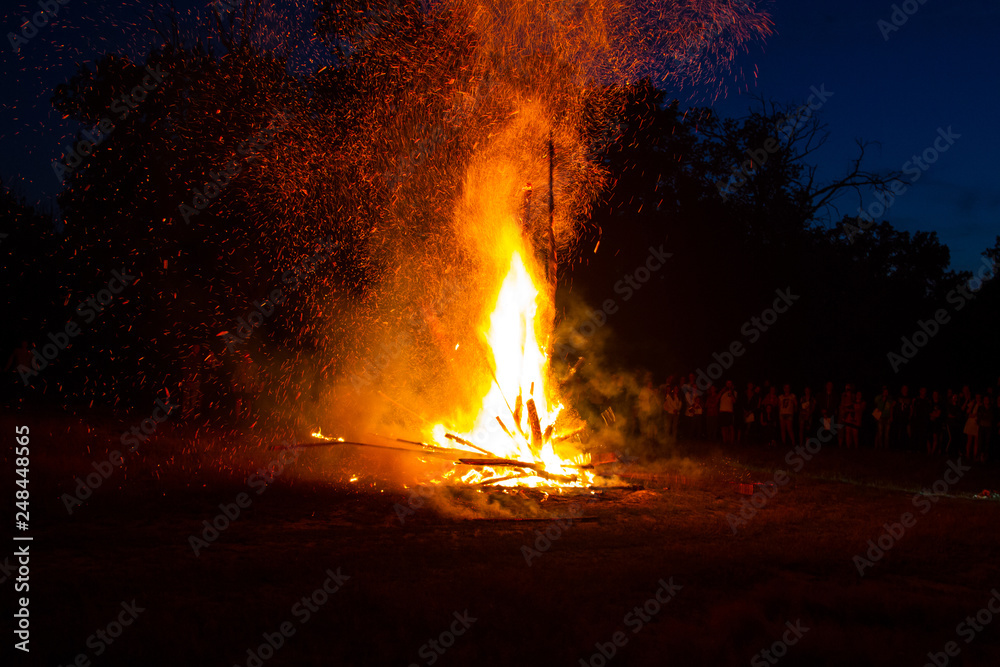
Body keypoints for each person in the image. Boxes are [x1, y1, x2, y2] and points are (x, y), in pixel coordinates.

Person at [911, 387, 931, 453]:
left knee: (923, 435)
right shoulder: (916, 400)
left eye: (925, 391)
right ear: (920, 391)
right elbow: (913, 409)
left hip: (924, 420)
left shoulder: (927, 400)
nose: (924, 392)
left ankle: (921, 449)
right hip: (917, 420)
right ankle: (914, 449)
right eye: (922, 391)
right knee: (915, 434)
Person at [894, 385, 913, 451]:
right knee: (899, 431)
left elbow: (911, 408)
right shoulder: (898, 397)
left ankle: (906, 447)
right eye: (903, 388)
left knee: (906, 432)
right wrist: (892, 416)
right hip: (899, 417)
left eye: (906, 388)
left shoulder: (909, 398)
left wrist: (910, 416)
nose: (904, 390)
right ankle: (898, 446)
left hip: (906, 418)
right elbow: (892, 406)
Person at [965, 394, 982, 461]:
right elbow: (968, 412)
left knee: (976, 440)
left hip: (977, 423)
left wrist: (975, 415)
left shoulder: (981, 405)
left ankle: (975, 455)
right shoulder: (972, 403)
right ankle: (968, 454)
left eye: (979, 397)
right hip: (971, 423)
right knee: (969, 440)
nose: (977, 398)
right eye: (976, 397)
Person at [719, 380, 737, 445]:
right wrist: (721, 392)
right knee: (723, 427)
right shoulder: (722, 392)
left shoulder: (734, 392)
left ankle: (731, 441)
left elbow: (734, 401)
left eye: (730, 383)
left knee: (730, 427)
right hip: (722, 411)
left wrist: (731, 393)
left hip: (729, 411)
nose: (729, 384)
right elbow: (717, 398)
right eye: (728, 383)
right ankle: (725, 441)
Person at [928, 390, 943, 455]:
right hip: (930, 423)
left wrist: (933, 414)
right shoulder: (930, 403)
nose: (935, 395)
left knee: (935, 437)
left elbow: (938, 414)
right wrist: (932, 414)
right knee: (928, 437)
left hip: (936, 423)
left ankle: (932, 452)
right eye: (934, 394)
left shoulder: (940, 404)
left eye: (936, 394)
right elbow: (928, 413)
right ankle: (929, 451)